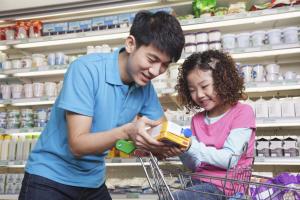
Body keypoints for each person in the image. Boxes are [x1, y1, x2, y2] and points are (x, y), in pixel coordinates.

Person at [19, 10, 184, 200]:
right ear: (131, 44)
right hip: (50, 179)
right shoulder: (86, 70)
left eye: (165, 65)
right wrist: (127, 132)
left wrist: (169, 145)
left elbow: (162, 131)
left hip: (93, 180)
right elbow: (78, 144)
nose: (156, 71)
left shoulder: (144, 87)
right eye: (152, 59)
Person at [167, 50, 256, 199]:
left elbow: (229, 159)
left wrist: (191, 146)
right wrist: (182, 150)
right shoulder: (197, 119)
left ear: (223, 81)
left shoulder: (242, 112)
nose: (199, 95)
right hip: (198, 184)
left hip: (226, 188)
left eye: (205, 86)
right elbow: (195, 165)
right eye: (192, 90)